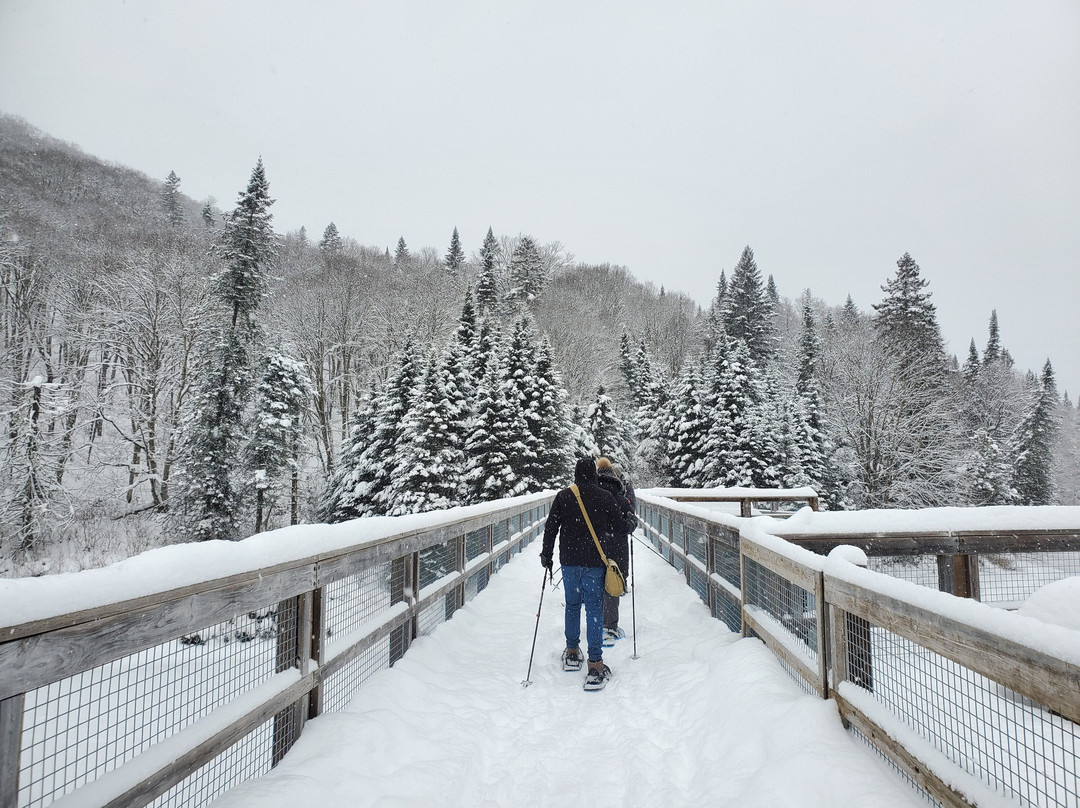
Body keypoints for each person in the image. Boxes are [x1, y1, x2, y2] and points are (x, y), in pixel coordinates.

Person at [540, 456, 632, 691]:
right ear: (593, 474)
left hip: (569, 561)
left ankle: (572, 652)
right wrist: (630, 521)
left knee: (572, 605)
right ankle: (595, 664)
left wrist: (546, 555)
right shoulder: (605, 496)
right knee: (593, 608)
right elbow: (620, 527)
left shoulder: (564, 496)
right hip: (594, 561)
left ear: (575, 473)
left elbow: (551, 527)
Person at [595, 457, 637, 645]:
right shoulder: (620, 496)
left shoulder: (591, 494)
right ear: (613, 473)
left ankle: (594, 623)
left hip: (595, 546)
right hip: (617, 546)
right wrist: (631, 524)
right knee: (613, 584)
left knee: (595, 582)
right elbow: (628, 521)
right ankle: (610, 626)